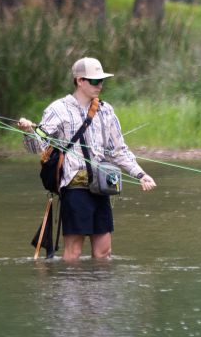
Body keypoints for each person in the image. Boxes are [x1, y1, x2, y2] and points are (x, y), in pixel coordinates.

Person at [16, 57, 156, 261]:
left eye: (101, 81)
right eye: (94, 81)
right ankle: (73, 291)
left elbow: (119, 151)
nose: (99, 85)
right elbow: (37, 146)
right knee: (73, 253)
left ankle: (98, 293)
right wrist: (29, 131)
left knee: (104, 253)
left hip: (102, 187)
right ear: (79, 80)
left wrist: (141, 175)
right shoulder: (58, 109)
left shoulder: (106, 110)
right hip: (74, 187)